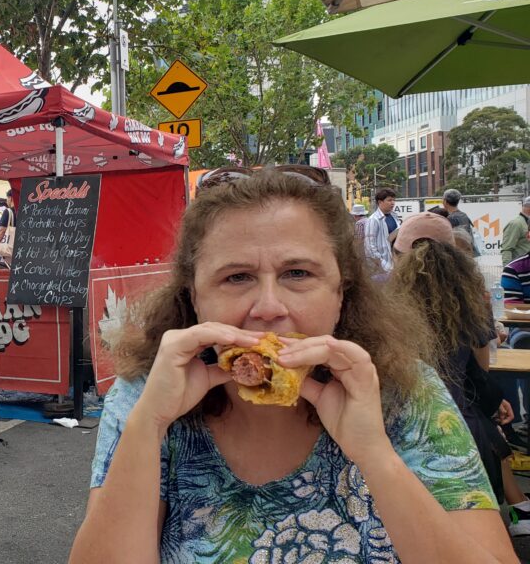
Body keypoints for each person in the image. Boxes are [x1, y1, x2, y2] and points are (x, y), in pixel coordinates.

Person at [69, 168, 515, 563]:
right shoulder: (147, 395)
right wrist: (148, 424)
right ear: (193, 297)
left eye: (298, 274)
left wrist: (376, 455)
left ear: (342, 292)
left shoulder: (406, 389)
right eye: (236, 277)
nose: (268, 307)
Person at [390, 212, 530, 537]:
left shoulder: (383, 306)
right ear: (455, 258)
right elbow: (481, 369)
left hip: (400, 430)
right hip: (459, 427)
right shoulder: (469, 304)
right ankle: (514, 510)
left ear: (398, 256)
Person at [364, 187, 400, 275]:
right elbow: (370, 248)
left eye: (394, 200)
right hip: (381, 269)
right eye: (389, 200)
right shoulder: (373, 220)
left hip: (395, 264)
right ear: (380, 202)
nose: (393, 203)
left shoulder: (394, 216)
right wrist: (385, 266)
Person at [501, 197, 530, 266]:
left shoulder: (526, 223)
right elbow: (507, 249)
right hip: (521, 268)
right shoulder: (516, 223)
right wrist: (506, 270)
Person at [0, 188, 16, 258]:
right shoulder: (24, 211)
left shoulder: (8, 211)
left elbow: (2, 230)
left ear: (10, 198)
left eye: (7, 198)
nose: (6, 201)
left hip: (10, 249)